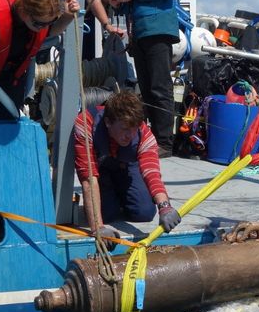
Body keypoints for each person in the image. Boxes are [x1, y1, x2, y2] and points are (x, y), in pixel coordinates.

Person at [109, 0, 180, 158]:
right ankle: (150, 138)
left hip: (157, 30)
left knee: (160, 87)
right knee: (147, 88)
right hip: (137, 31)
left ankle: (165, 143)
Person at [72, 90, 181, 236]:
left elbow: (152, 172)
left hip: (126, 166)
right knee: (106, 215)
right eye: (124, 129)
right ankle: (112, 197)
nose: (130, 136)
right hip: (100, 170)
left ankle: (122, 195)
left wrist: (165, 206)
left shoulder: (144, 134)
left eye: (134, 129)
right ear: (108, 122)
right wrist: (97, 228)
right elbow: (88, 179)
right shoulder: (85, 124)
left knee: (145, 212)